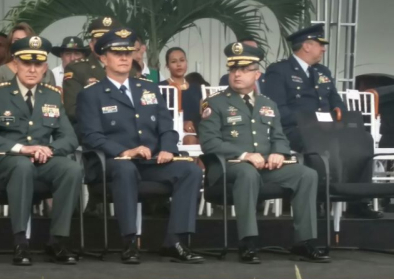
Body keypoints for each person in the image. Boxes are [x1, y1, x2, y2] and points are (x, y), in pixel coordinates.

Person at [77, 28, 204, 265]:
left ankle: (175, 241)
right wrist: (125, 151)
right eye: (117, 53)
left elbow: (167, 127)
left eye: (128, 52)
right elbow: (91, 136)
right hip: (112, 163)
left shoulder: (149, 89)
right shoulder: (92, 94)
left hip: (151, 162)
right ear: (103, 58)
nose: (125, 58)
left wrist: (168, 148)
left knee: (191, 170)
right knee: (126, 170)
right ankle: (129, 242)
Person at [199, 42, 330, 264]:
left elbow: (279, 136)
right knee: (247, 173)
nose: (237, 74)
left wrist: (279, 152)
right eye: (233, 69)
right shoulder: (214, 103)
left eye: (243, 70)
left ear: (257, 74)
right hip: (228, 168)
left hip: (265, 168)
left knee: (307, 174)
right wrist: (245, 155)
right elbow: (209, 143)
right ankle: (248, 242)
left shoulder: (267, 104)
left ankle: (304, 242)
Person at [0, 36, 82, 266]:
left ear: (45, 67)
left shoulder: (52, 95)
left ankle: (58, 240)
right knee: (22, 165)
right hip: (8, 161)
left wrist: (49, 149)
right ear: (16, 63)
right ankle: (20, 241)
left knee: (71, 169)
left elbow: (70, 137)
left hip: (43, 160)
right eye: (26, 63)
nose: (32, 69)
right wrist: (22, 148)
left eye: (38, 64)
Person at [264, 24, 380, 219]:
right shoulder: (280, 70)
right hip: (295, 129)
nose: (324, 49)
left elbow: (337, 102)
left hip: (328, 128)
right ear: (307, 46)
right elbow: (277, 110)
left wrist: (339, 111)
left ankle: (358, 201)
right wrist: (310, 120)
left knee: (363, 140)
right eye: (320, 44)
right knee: (316, 143)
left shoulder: (323, 72)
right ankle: (316, 199)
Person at [62, 16, 123, 125]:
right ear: (91, 45)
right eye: (100, 40)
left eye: (110, 40)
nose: (105, 45)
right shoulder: (77, 69)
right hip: (93, 133)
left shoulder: (131, 69)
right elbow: (72, 111)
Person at [0, 23, 55, 87]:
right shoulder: (0, 73)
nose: (21, 44)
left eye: (25, 40)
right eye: (16, 40)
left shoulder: (48, 74)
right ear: (10, 43)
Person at [159, 47, 203, 144]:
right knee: (190, 140)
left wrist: (193, 124)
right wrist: (180, 124)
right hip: (170, 131)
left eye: (182, 60)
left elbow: (201, 114)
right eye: (174, 61)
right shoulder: (160, 88)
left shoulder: (196, 88)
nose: (179, 65)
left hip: (195, 130)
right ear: (167, 66)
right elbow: (159, 115)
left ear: (186, 62)